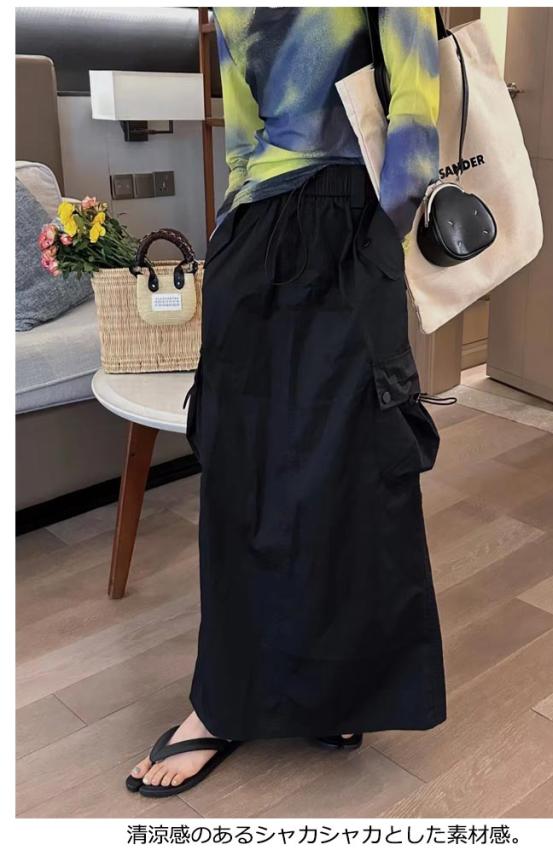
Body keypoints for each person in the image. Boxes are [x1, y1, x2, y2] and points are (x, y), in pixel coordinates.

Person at [127, 5, 445, 799]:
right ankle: (222, 702)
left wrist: (377, 239)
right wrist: (230, 240)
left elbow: (416, 109)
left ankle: (340, 690)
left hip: (352, 229)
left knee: (348, 475)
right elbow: (242, 145)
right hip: (254, 240)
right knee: (242, 471)